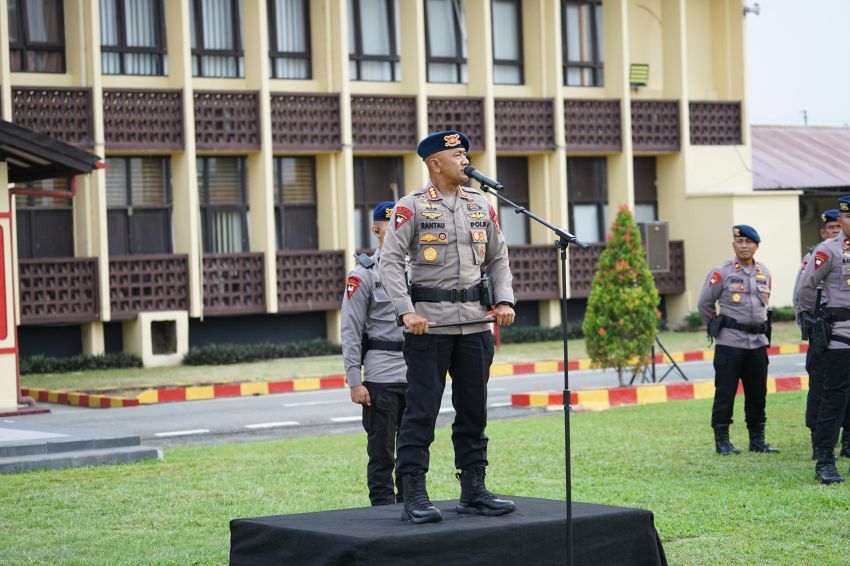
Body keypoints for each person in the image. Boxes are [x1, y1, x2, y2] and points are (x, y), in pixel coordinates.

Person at [379, 130, 517, 524]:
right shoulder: (413, 207)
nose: (465, 160)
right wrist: (406, 311)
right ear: (434, 163)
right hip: (429, 329)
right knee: (421, 411)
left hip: (475, 325)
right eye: (457, 155)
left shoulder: (481, 204)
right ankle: (414, 493)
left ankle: (474, 489)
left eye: (466, 154)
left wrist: (504, 300)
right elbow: (389, 261)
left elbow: (498, 258)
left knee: (474, 411)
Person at [340, 201, 407, 506]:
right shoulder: (363, 275)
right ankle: (382, 513)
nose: (394, 232)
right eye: (388, 227)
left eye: (400, 227)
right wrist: (355, 381)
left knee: (415, 449)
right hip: (381, 377)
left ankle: (412, 504)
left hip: (417, 374)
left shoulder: (419, 271)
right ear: (376, 229)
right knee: (381, 453)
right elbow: (351, 330)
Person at [698, 225, 780, 456]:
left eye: (749, 242)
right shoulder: (721, 272)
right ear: (734, 244)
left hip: (757, 343)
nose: (744, 245)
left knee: (757, 393)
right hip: (730, 343)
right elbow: (704, 304)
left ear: (756, 245)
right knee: (725, 392)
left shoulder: (764, 272)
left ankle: (757, 440)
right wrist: (719, 324)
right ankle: (722, 441)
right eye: (739, 241)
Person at [797, 196, 850, 484]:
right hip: (839, 335)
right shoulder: (828, 250)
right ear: (841, 220)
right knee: (833, 397)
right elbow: (806, 287)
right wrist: (812, 318)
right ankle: (826, 460)